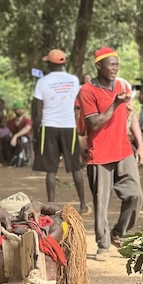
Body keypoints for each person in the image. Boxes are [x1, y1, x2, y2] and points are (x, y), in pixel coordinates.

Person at [77, 47, 143, 261]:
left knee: (135, 195)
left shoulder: (122, 86)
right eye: (111, 64)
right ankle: (103, 245)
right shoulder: (87, 91)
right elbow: (94, 123)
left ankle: (118, 232)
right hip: (100, 153)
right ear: (99, 66)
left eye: (117, 64)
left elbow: (131, 115)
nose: (115, 68)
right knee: (101, 202)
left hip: (123, 149)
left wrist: (140, 145)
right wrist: (115, 104)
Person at [32, 49, 88, 212]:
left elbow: (37, 112)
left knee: (51, 170)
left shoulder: (42, 82)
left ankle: (50, 204)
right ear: (63, 63)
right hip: (69, 127)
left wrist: (35, 134)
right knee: (75, 167)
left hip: (49, 127)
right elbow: (78, 102)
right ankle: (83, 204)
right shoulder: (74, 80)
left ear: (50, 63)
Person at [6, 101, 32, 167]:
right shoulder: (10, 122)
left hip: (25, 139)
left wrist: (15, 136)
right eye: (18, 109)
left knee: (23, 140)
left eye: (21, 109)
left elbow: (27, 128)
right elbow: (8, 131)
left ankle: (25, 159)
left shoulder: (27, 120)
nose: (20, 110)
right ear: (14, 110)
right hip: (13, 141)